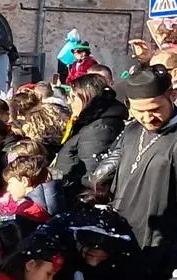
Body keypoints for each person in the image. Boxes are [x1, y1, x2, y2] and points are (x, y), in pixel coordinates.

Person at [105, 64, 177, 280]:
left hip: (162, 257)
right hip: (123, 245)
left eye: (155, 109)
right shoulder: (132, 131)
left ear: (172, 96)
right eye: (139, 111)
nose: (148, 118)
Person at [53, 72, 126, 204]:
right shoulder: (90, 123)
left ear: (88, 97)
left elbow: (92, 177)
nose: (69, 102)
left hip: (81, 200)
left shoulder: (99, 129)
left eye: (74, 97)